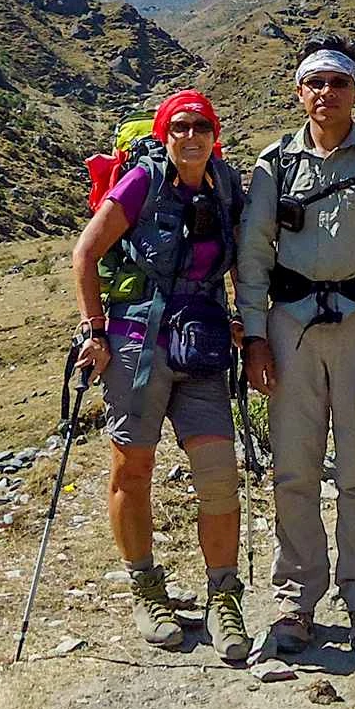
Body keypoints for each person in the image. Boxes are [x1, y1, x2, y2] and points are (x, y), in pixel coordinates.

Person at [236, 34, 355, 655]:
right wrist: (255, 338)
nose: (326, 93)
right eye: (315, 83)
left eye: (338, 83)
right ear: (298, 93)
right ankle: (295, 599)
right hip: (290, 330)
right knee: (294, 466)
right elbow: (255, 255)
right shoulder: (275, 165)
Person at [71, 88, 252, 662]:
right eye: (179, 127)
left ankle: (224, 595)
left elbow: (246, 260)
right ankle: (146, 589)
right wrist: (94, 331)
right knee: (134, 468)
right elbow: (86, 252)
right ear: (164, 134)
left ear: (214, 133)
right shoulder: (142, 182)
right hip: (135, 344)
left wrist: (248, 321)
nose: (191, 137)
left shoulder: (226, 186)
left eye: (201, 126)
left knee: (219, 474)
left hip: (200, 341)